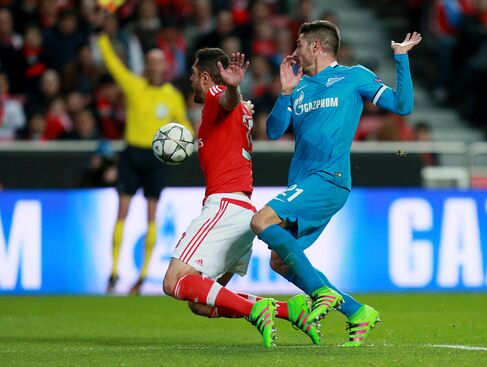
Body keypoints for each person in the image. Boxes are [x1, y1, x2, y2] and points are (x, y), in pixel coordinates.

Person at [250, 20, 421, 346]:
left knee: (260, 221)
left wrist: (401, 57)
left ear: (316, 46)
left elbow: (403, 106)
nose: (294, 50)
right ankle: (357, 311)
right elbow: (273, 131)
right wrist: (284, 92)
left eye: (299, 44)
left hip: (330, 178)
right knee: (279, 261)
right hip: (303, 182)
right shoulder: (298, 87)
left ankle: (322, 292)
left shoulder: (354, 76)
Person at [161, 48, 319, 348]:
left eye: (194, 74)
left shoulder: (217, 93)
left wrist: (232, 87)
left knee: (173, 282)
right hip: (243, 210)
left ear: (206, 77)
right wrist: (234, 92)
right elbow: (231, 104)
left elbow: (225, 98)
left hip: (225, 206)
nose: (191, 80)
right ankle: (289, 310)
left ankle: (257, 309)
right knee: (201, 303)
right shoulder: (238, 108)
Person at [98, 32, 193, 295]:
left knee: (151, 214)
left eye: (158, 62)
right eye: (150, 62)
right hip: (132, 154)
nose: (154, 66)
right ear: (146, 66)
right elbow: (113, 65)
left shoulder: (172, 95)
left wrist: (189, 138)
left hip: (156, 158)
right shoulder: (134, 86)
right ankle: (114, 272)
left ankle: (141, 277)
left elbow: (184, 124)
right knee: (122, 211)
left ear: (164, 67)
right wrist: (102, 38)